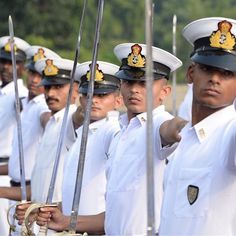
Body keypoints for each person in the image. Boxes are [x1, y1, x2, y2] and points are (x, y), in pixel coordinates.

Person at [159, 17, 236, 236]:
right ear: (191, 73)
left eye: (227, 73)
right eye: (208, 68)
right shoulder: (184, 139)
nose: (215, 79)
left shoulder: (229, 134)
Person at [35, 61, 123, 235]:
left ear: (118, 101)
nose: (94, 100)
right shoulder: (84, 132)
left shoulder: (113, 130)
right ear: (80, 99)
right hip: (74, 228)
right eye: (88, 95)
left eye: (102, 95)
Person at [15, 57, 80, 235]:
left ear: (75, 90)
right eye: (48, 87)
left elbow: (80, 116)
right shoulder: (52, 120)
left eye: (58, 87)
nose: (50, 93)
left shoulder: (70, 118)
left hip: (56, 219)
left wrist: (85, 98)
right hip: (38, 217)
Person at [0, 36, 30, 236]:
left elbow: (24, 108)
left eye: (13, 63)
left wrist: (23, 106)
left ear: (22, 67)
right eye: (3, 61)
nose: (6, 67)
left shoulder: (20, 94)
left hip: (5, 173)